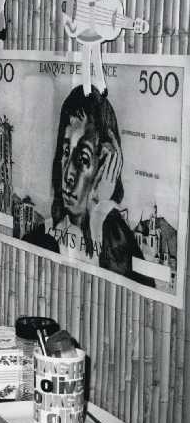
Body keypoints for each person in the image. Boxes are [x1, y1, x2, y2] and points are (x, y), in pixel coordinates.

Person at [24, 86, 153, 286]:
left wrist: (103, 208)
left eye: (82, 159)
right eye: (66, 152)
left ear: (106, 166)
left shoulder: (121, 245)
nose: (67, 174)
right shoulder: (41, 239)